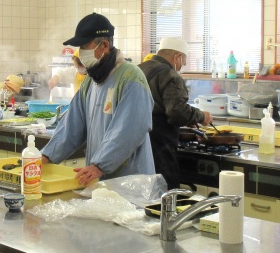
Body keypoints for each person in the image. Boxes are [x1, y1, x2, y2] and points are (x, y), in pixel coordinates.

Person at [40, 13, 155, 187]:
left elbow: (129, 130)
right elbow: (71, 127)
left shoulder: (131, 77)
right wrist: (46, 156)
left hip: (131, 184)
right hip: (100, 182)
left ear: (105, 45)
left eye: (85, 46)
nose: (81, 53)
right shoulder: (91, 81)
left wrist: (100, 165)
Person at [138, 37, 212, 189]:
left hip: (136, 142)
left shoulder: (138, 69)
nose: (181, 66)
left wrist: (188, 119)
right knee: (165, 191)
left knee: (141, 190)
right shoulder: (170, 75)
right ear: (177, 57)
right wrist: (201, 116)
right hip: (158, 146)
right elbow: (177, 112)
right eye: (183, 62)